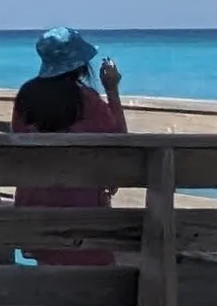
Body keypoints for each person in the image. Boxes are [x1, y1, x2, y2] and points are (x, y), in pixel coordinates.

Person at [8, 29, 127, 265]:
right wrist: (112, 90)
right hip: (80, 201)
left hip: (35, 200)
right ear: (79, 65)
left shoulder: (26, 96)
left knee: (49, 267)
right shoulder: (88, 100)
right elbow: (119, 141)